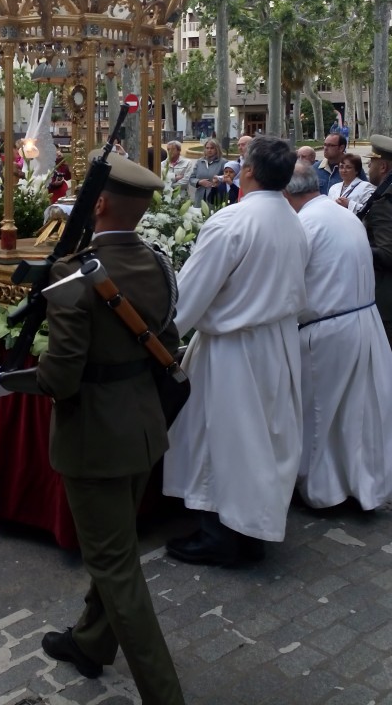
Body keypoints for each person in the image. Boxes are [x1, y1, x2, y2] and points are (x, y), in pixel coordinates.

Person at [0, 153, 185, 705]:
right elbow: (163, 338)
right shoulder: (158, 263)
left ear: (97, 204)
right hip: (144, 426)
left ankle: (165, 694)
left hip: (94, 438)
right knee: (115, 548)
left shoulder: (74, 276)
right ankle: (91, 643)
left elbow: (61, 380)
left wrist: (7, 383)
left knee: (116, 568)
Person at [163, 136, 308, 565]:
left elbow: (189, 295)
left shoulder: (233, 222)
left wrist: (159, 335)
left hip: (234, 348)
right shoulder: (293, 220)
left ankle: (223, 535)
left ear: (247, 171)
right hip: (277, 343)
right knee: (262, 440)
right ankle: (249, 527)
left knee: (225, 439)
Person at [284, 163, 392, 510]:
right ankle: (355, 484)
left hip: (329, 328)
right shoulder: (339, 214)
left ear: (287, 193)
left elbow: (289, 283)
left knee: (320, 416)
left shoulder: (305, 223)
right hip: (361, 320)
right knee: (353, 415)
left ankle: (322, 490)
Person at [359, 134, 392, 348]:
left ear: (383, 167)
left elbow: (388, 254)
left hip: (386, 303)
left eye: (372, 162)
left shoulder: (384, 203)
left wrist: (357, 247)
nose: (369, 167)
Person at [188, 137, 225, 205]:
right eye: (207, 148)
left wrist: (218, 181)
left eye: (212, 148)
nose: (209, 150)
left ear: (217, 149)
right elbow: (191, 178)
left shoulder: (223, 162)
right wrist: (199, 182)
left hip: (215, 197)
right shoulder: (200, 162)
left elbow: (227, 178)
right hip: (200, 197)